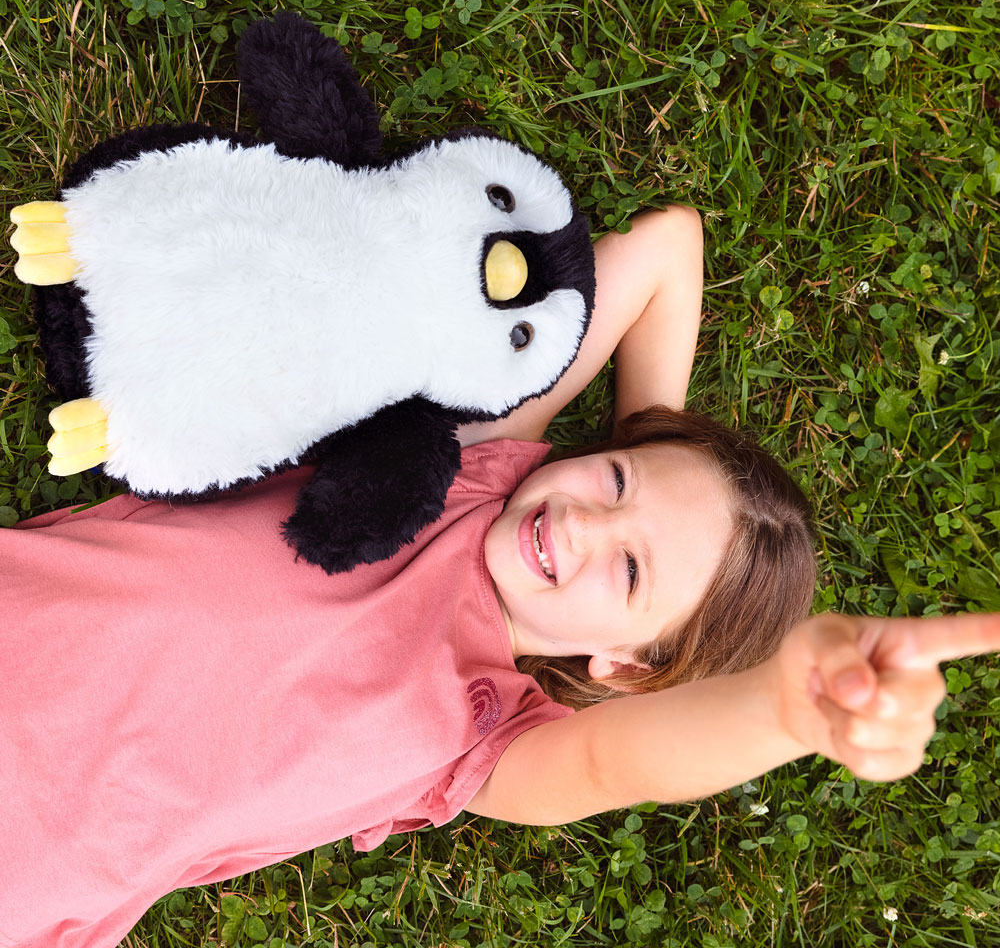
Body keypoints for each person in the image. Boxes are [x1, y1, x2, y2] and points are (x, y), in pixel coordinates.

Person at [3, 206, 998, 947]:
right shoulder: (473, 468)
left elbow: (618, 767)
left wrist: (783, 708)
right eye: (608, 482)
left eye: (629, 569)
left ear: (625, 665)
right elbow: (665, 250)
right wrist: (653, 458)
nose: (582, 523)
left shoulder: (485, 734)